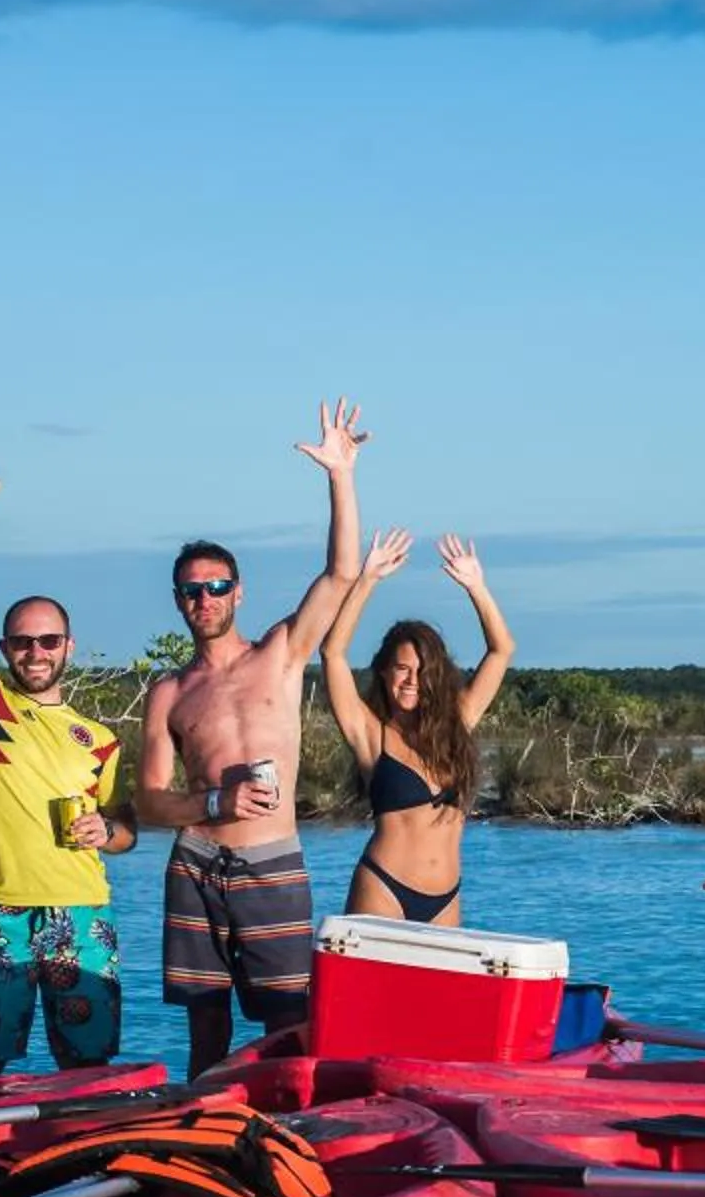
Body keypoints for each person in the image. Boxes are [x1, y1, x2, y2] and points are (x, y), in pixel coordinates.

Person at [136, 401, 366, 1076]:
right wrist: (214, 803)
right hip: (195, 865)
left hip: (271, 863)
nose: (204, 599)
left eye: (217, 587)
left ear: (238, 593)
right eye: (192, 590)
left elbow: (341, 575)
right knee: (204, 1025)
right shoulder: (169, 692)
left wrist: (340, 475)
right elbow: (149, 800)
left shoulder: (280, 654)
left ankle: (291, 1122)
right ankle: (199, 1121)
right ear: (177, 600)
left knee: (290, 1021)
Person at [0, 444, 140, 1079]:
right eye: (23, 642)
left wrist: (107, 831)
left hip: (81, 911)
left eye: (48, 640)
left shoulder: (99, 739)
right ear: (4, 648)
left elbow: (126, 830)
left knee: (89, 1066)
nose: (36, 651)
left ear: (68, 646)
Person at [318, 527, 516, 924]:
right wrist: (367, 580)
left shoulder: (457, 723)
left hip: (445, 898)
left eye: (423, 671)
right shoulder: (371, 735)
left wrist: (476, 587)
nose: (412, 680)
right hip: (383, 888)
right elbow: (332, 653)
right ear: (384, 671)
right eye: (402, 668)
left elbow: (501, 650)